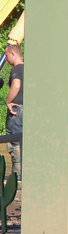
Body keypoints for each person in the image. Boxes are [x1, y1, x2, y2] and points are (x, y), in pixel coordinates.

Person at [4, 44, 23, 181]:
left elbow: (16, 84)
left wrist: (7, 102)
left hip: (16, 111)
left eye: (6, 55)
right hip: (26, 109)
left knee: (14, 142)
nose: (6, 59)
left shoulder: (16, 69)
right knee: (25, 141)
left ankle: (17, 176)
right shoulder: (29, 68)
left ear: (12, 54)